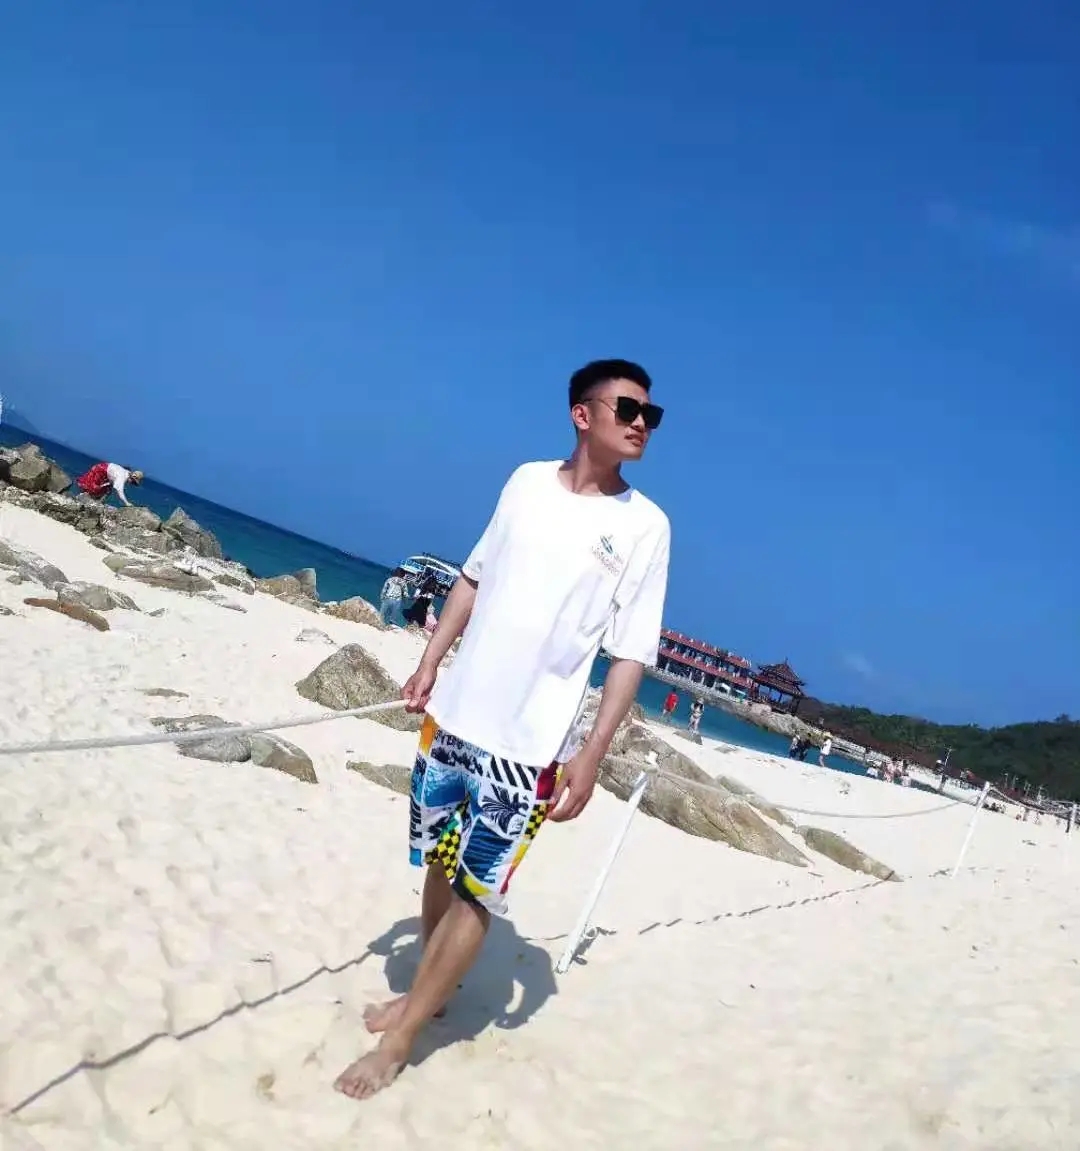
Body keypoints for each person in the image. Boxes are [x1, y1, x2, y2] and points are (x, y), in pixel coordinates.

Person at [333, 358, 670, 1101]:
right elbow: (472, 576)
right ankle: (427, 995)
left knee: (477, 890)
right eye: (628, 409)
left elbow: (630, 653)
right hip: (455, 717)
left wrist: (591, 753)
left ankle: (401, 1039)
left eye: (651, 415)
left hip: (531, 745)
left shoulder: (645, 526)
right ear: (583, 414)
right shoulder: (524, 481)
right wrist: (430, 661)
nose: (642, 423)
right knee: (437, 863)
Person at [74, 462, 144, 506]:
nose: (131, 483)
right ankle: (85, 499)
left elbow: (115, 479)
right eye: (132, 482)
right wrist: (127, 503)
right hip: (100, 471)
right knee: (93, 487)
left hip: (103, 469)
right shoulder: (122, 477)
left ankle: (96, 502)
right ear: (132, 478)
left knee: (106, 490)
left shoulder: (126, 473)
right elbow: (119, 491)